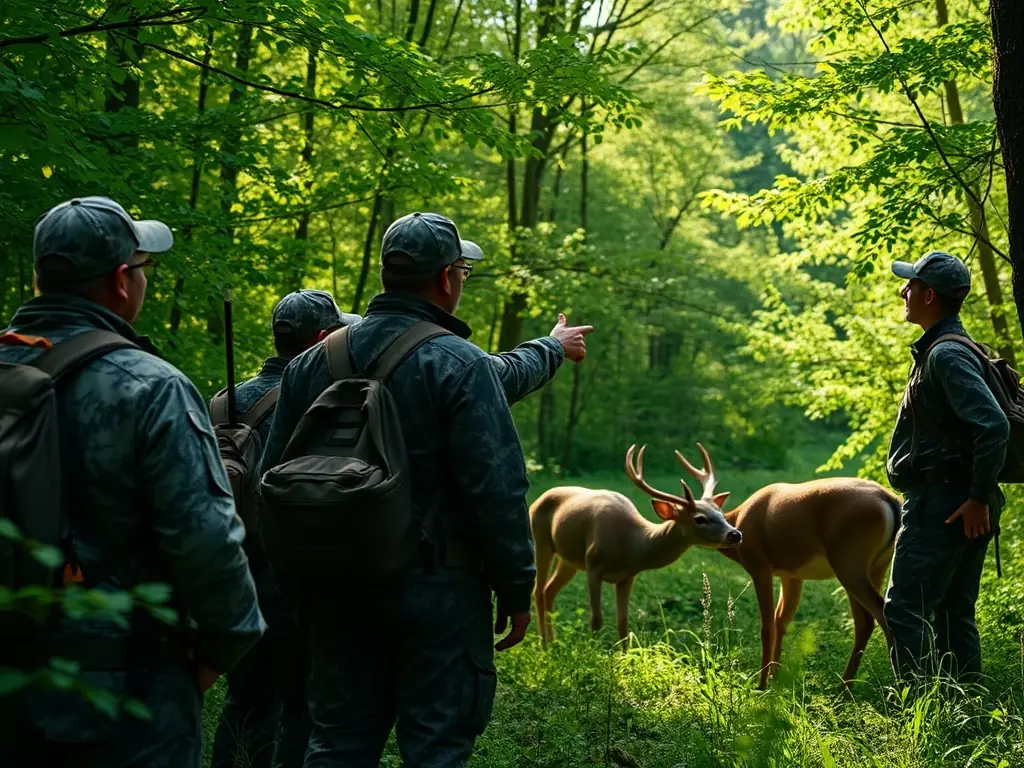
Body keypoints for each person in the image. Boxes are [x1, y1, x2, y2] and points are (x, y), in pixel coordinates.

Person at [258, 212, 592, 767]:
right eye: (463, 270)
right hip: (440, 592)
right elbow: (497, 486)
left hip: (334, 589)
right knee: (436, 748)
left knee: (337, 742)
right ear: (447, 279)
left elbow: (271, 490)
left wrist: (297, 586)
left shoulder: (310, 365)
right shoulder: (459, 363)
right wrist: (517, 589)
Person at [0, 196, 265, 767]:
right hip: (121, 699)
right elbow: (208, 543)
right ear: (123, 281)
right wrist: (216, 653)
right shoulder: (151, 387)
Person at [211, 289, 359, 768]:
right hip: (294, 577)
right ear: (322, 339)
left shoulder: (223, 400)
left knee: (244, 702)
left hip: (232, 570)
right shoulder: (319, 400)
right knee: (301, 711)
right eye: (338, 332)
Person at [884, 250, 1009, 686]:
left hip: (945, 503)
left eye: (911, 284)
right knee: (954, 611)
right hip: (960, 499)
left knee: (904, 611)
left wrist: (976, 497)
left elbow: (993, 425)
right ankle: (965, 707)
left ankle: (920, 715)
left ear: (929, 295)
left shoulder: (945, 356)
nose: (904, 290)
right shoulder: (955, 348)